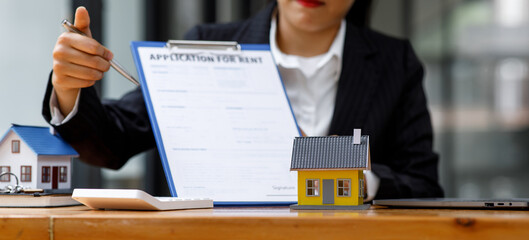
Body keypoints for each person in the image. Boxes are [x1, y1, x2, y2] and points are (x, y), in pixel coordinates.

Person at [42, 0, 444, 200]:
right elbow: (114, 141)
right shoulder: (204, 46)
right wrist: (69, 88)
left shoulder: (396, 62)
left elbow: (423, 187)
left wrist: (346, 171)